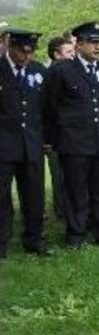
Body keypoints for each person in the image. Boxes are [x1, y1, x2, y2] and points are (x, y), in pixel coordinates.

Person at [43, 21, 99, 248]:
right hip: (74, 141)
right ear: (78, 44)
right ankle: (76, 234)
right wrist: (53, 137)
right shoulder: (62, 70)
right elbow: (50, 106)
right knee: (76, 189)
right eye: (92, 42)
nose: (97, 47)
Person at [1, 29, 52, 258]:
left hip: (32, 143)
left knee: (34, 195)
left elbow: (47, 108)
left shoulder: (39, 71)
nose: (26, 56)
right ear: (10, 46)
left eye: (30, 52)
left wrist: (46, 138)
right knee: (2, 196)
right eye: (22, 51)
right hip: (3, 144)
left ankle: (34, 239)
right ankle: (2, 241)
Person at [44, 36, 73, 222]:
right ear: (56, 54)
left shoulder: (70, 73)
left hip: (69, 136)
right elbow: (49, 108)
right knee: (59, 175)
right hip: (55, 136)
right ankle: (62, 212)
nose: (73, 56)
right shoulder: (51, 75)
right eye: (69, 52)